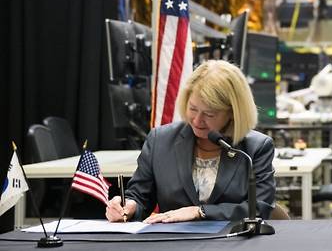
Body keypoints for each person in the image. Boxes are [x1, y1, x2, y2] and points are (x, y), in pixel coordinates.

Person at [105, 60, 275, 223]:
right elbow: (140, 196)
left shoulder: (255, 149)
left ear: (232, 113)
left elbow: (260, 207)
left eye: (209, 114)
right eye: (193, 108)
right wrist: (129, 206)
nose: (197, 120)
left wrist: (199, 211)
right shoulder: (160, 140)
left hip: (231, 242)